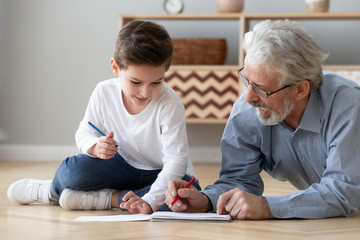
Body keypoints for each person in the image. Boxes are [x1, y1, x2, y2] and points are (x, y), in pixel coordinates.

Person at [165, 19, 360, 220]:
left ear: (300, 89)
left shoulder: (347, 106)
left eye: (261, 88)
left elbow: (342, 191)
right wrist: (206, 200)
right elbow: (238, 179)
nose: (248, 97)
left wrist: (268, 206)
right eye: (247, 81)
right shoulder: (246, 111)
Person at [7, 20, 200, 214]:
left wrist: (150, 202)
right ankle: (51, 191)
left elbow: (175, 162)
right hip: (120, 165)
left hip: (161, 173)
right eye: (135, 82)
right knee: (72, 172)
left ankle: (108, 199)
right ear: (115, 68)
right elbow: (84, 131)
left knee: (183, 199)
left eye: (156, 82)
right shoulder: (103, 91)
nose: (145, 92)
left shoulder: (170, 103)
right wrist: (94, 146)